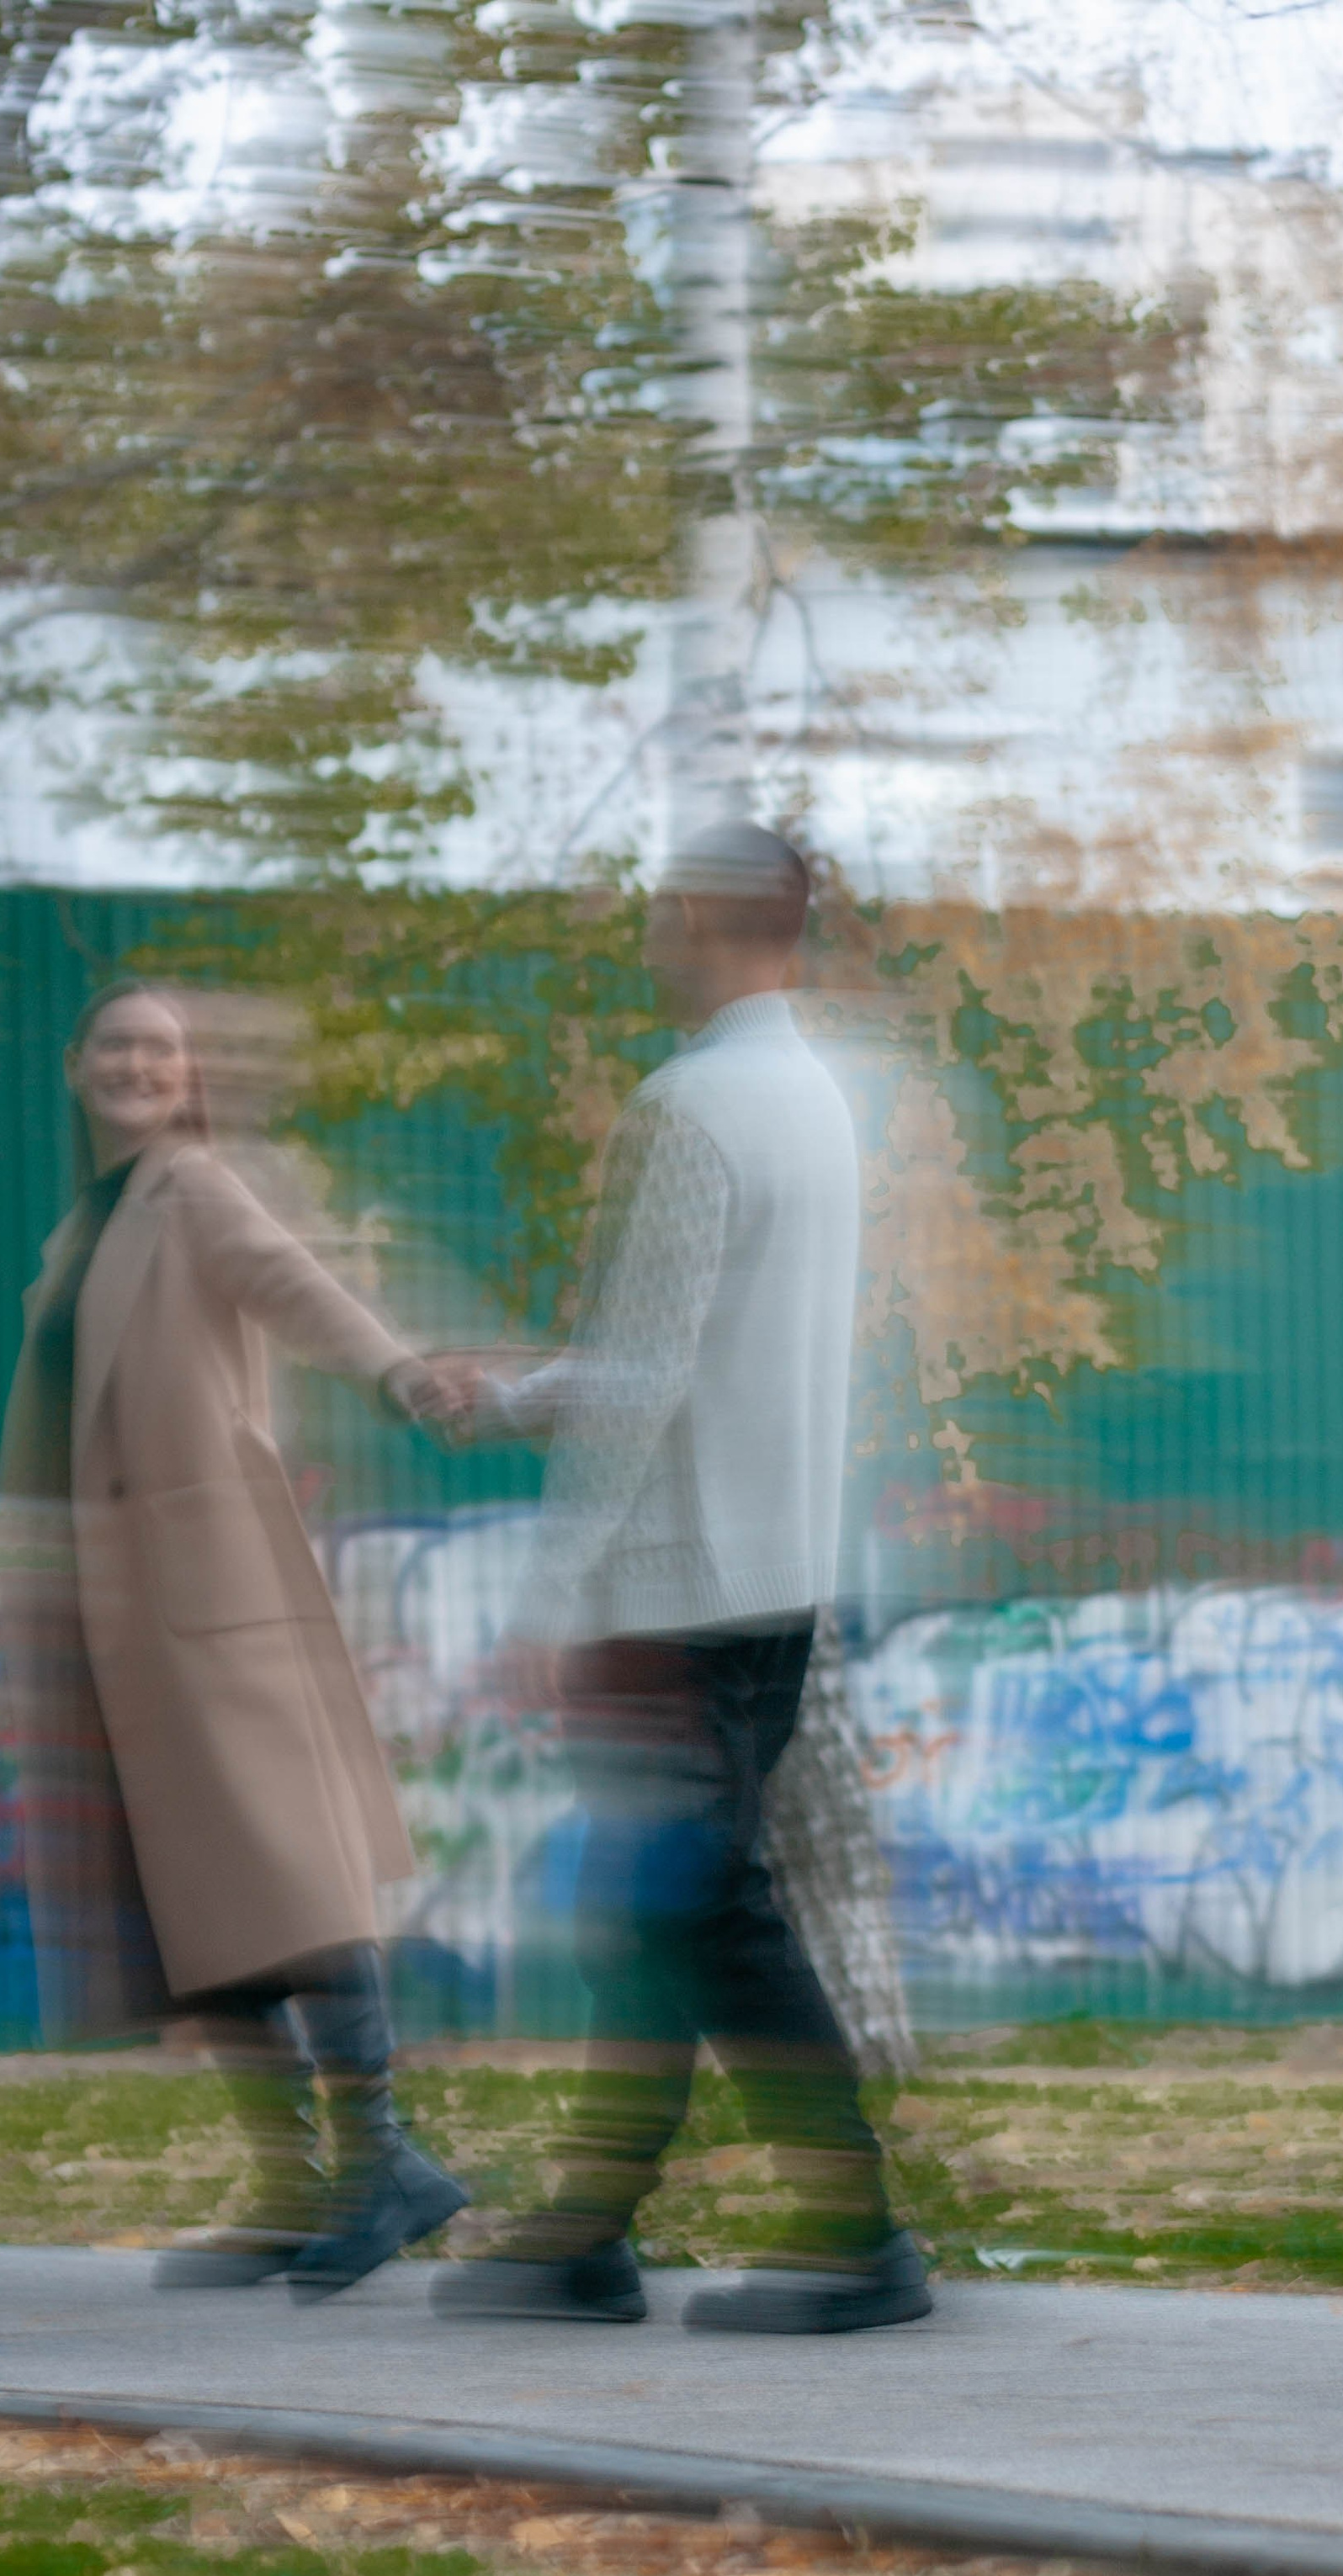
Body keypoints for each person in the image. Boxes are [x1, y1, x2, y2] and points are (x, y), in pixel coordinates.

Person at [429, 823, 931, 2335]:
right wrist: (512, 1398)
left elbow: (645, 1377)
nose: (647, 939)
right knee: (648, 1910)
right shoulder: (815, 1101)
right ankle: (587, 2235)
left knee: (704, 1915)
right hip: (773, 1584)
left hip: (675, 1593)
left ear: (706, 920)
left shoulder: (691, 1105)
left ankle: (857, 2236)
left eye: (660, 913)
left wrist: (546, 1598)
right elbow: (680, 1357)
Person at [0, 976, 469, 2299]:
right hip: (117, 1614)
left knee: (286, 1873)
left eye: (162, 1047)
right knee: (188, 1902)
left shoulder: (190, 1188)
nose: (139, 1065)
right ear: (76, 1063)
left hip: (210, 1594)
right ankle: (293, 2181)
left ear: (187, 1074)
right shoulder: (81, 1229)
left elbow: (293, 1284)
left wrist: (400, 1372)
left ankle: (381, 2159)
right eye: (117, 1044)